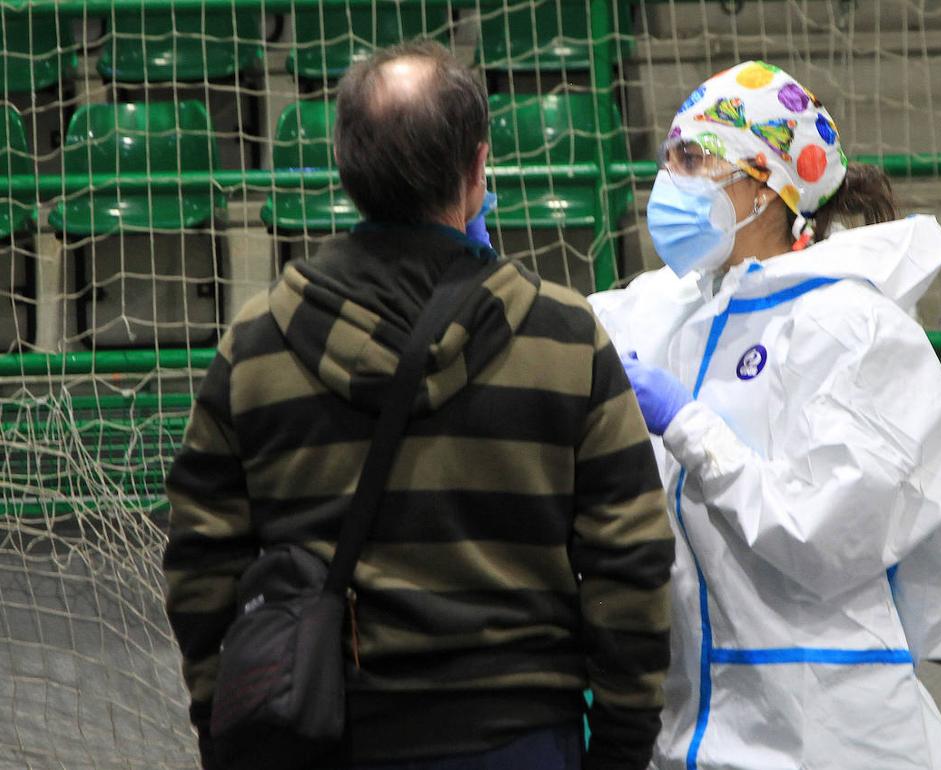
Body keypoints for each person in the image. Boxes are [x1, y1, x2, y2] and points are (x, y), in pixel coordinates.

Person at [163, 41, 674, 770]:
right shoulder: (564, 337)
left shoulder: (256, 345)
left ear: (345, 169)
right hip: (522, 741)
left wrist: (224, 727)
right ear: (477, 169)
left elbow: (201, 563)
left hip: (322, 733)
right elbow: (631, 561)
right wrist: (622, 747)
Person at [588, 61, 941, 770]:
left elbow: (828, 534)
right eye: (668, 155)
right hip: (696, 733)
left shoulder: (851, 329)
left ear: (763, 188)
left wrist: (692, 428)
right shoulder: (674, 309)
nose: (668, 178)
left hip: (828, 735)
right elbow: (550, 340)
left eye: (693, 158)